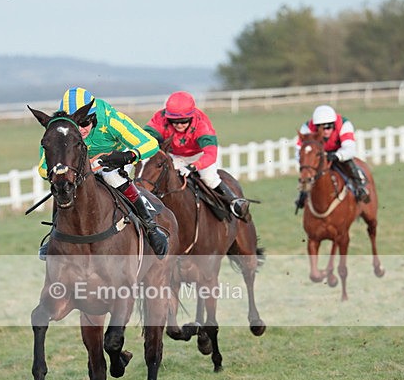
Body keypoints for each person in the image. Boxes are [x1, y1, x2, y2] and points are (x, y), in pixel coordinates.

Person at [38, 87, 168, 258]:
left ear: (94, 117)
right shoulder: (59, 129)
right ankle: (55, 232)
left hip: (114, 159)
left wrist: (128, 156)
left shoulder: (110, 119)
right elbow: (42, 168)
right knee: (63, 184)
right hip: (78, 165)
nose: (81, 129)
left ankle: (150, 227)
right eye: (76, 124)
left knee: (112, 177)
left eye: (85, 123)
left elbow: (150, 143)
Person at [143, 91, 250, 221]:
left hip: (199, 156)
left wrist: (194, 166)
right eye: (174, 121)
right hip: (174, 156)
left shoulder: (202, 125)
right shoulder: (160, 117)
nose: (179, 125)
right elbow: (146, 135)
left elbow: (211, 154)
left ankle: (234, 202)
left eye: (183, 121)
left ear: (191, 117)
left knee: (209, 178)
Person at [295, 104, 370, 211]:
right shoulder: (306, 128)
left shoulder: (344, 124)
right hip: (317, 155)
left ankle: (360, 187)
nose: (325, 131)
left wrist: (337, 156)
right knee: (308, 174)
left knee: (349, 163)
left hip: (339, 152)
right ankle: (302, 195)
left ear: (334, 124)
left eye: (328, 127)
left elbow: (350, 149)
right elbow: (298, 150)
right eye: (321, 128)